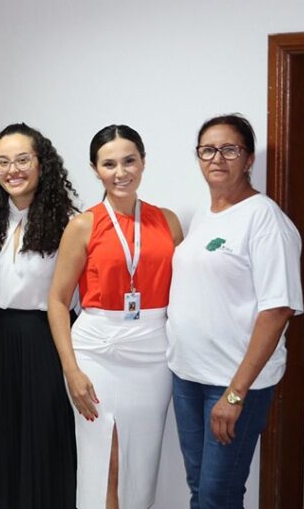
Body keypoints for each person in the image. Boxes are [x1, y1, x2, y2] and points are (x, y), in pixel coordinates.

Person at [167, 114, 303, 509]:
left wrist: (234, 394)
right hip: (188, 376)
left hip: (231, 383)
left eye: (230, 149)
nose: (217, 158)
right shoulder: (204, 216)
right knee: (201, 489)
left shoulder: (265, 219)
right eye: (208, 150)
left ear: (248, 160)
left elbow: (277, 310)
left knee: (218, 495)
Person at [48, 124, 183, 509]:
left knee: (140, 463)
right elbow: (57, 300)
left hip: (153, 353)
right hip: (97, 352)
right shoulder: (83, 225)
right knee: (106, 458)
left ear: (143, 162)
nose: (120, 172)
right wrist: (71, 370)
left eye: (129, 161)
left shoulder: (168, 221)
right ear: (95, 169)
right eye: (109, 164)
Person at [0, 123, 77, 508]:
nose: (12, 170)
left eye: (22, 160)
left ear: (42, 163)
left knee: (42, 443)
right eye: (2, 162)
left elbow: (73, 299)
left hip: (44, 343)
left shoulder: (69, 223)